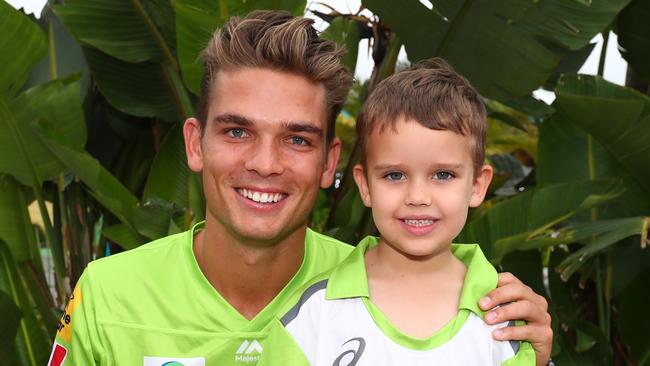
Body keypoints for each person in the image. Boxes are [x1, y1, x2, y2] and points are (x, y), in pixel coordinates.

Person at [48, 10, 552, 366]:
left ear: (330, 163)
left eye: (296, 138)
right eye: (237, 131)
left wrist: (528, 349)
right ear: (195, 144)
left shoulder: (383, 291)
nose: (265, 163)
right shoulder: (110, 295)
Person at [257, 59, 538, 365]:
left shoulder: (505, 315)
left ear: (477, 186)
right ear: (365, 186)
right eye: (394, 175)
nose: (417, 197)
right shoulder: (312, 314)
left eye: (443, 175)